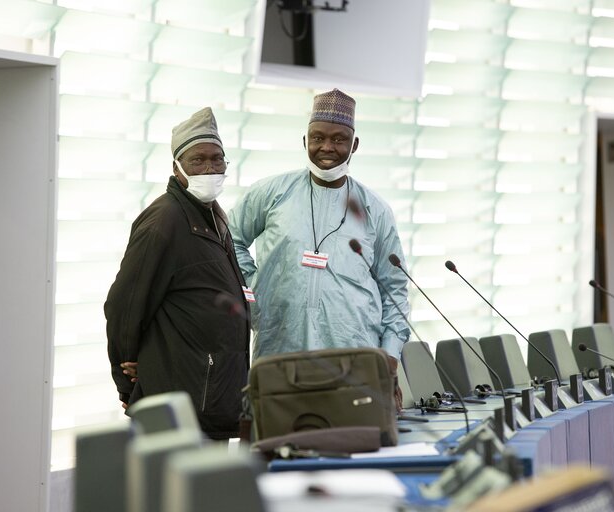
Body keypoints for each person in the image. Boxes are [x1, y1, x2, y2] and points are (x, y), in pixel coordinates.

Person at [228, 89, 410, 403]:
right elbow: (229, 239)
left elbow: (394, 288)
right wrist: (255, 290)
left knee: (349, 445)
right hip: (280, 352)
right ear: (304, 141)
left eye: (339, 139)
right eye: (317, 138)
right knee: (278, 446)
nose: (327, 147)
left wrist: (391, 354)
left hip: (353, 359)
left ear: (354, 145)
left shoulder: (373, 210)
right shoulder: (272, 193)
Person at [105, 107, 250, 440]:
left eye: (218, 159)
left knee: (208, 491)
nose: (211, 168)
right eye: (198, 160)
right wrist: (127, 377)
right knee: (175, 492)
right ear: (176, 166)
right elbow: (124, 307)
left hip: (211, 399)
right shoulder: (163, 222)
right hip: (178, 406)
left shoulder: (213, 216)